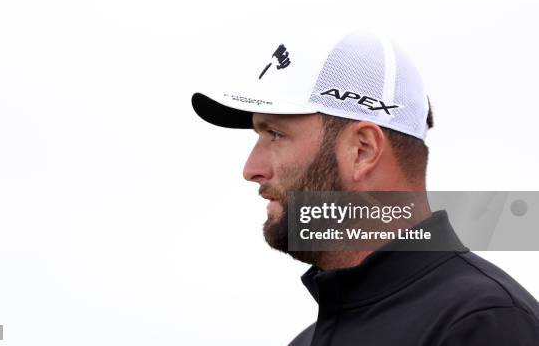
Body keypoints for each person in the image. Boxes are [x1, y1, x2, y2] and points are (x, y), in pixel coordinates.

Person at [191, 31, 539, 345]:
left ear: (363, 150)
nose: (251, 170)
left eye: (276, 134)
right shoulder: (306, 341)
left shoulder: (485, 323)